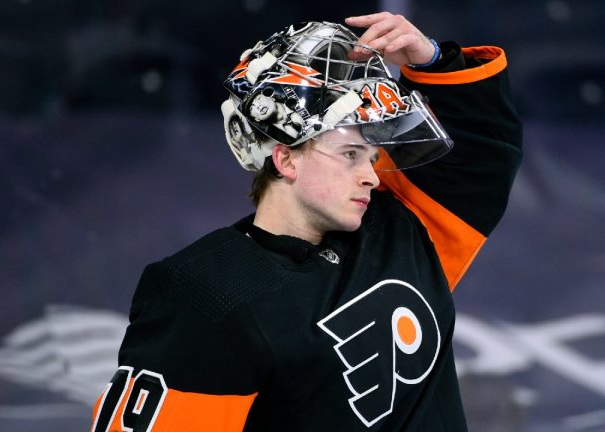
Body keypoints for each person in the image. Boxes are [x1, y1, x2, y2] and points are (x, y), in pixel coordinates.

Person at [91, 11, 522, 432]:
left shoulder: (401, 229)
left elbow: (482, 157)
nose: (371, 175)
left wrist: (432, 60)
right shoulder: (204, 292)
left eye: (371, 157)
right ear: (285, 158)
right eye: (350, 155)